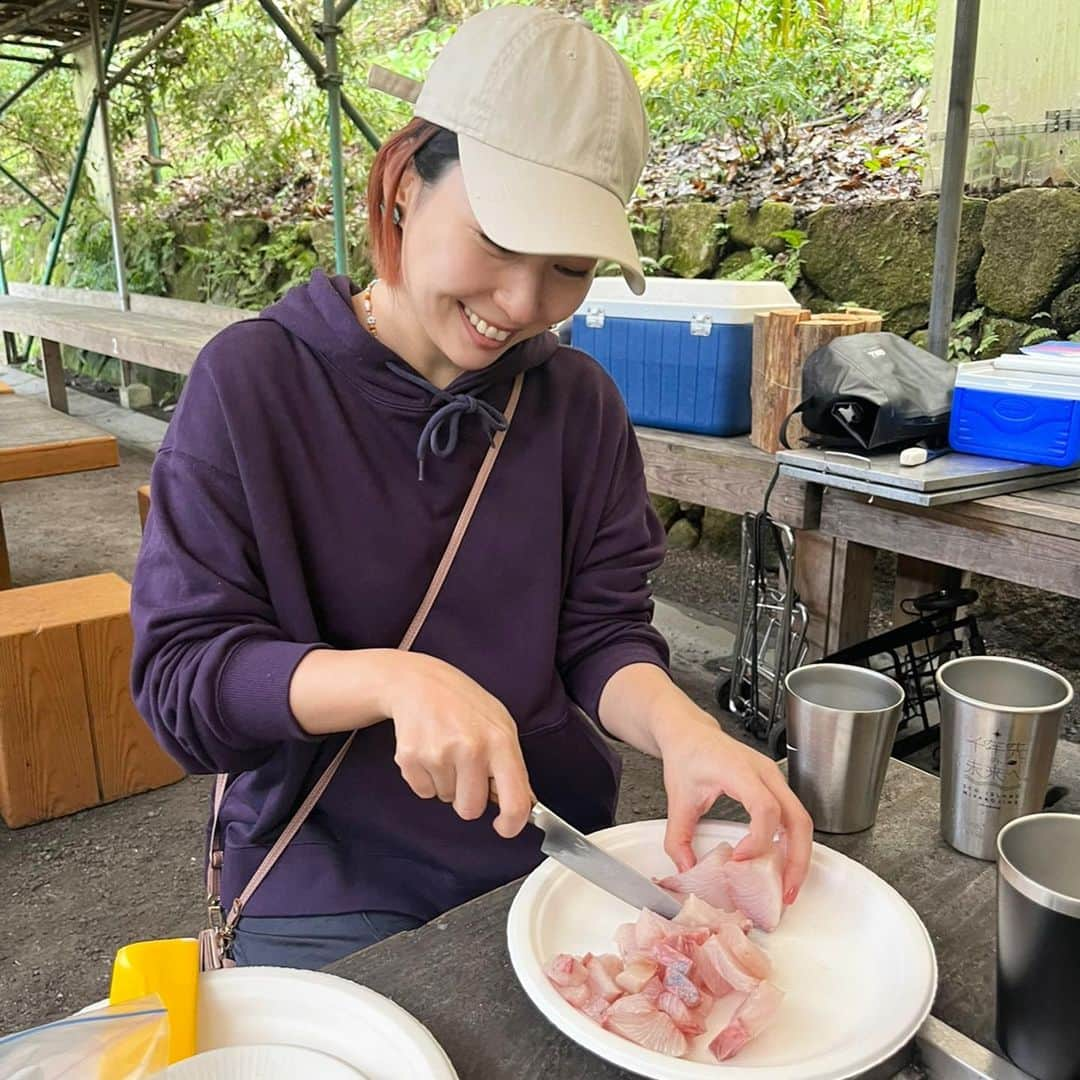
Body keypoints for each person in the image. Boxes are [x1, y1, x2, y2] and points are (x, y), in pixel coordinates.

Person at [130, 5, 812, 970]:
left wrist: (684, 729)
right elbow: (181, 689)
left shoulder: (579, 405)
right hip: (325, 877)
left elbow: (601, 635)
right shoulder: (252, 386)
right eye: (496, 239)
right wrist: (392, 679)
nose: (525, 304)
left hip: (547, 860)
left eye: (570, 268)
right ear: (406, 184)